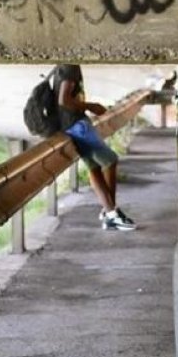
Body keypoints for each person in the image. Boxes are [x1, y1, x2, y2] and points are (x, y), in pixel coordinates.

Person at [54, 64, 137, 232]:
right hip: (77, 126)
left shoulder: (63, 65)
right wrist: (91, 106)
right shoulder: (70, 67)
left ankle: (110, 212)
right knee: (110, 160)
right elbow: (63, 100)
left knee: (95, 166)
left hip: (70, 126)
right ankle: (111, 213)